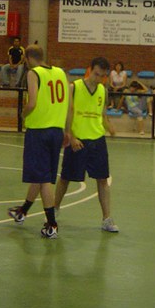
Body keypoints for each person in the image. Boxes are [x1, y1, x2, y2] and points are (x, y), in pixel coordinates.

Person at [7, 44, 69, 238]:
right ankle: (23, 211)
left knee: (43, 179)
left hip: (39, 131)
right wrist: (67, 130)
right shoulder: (60, 73)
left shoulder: (33, 73)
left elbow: (32, 102)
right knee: (42, 175)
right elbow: (67, 103)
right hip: (56, 130)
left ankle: (52, 224)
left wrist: (22, 114)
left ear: (27, 58)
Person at [54, 56, 119, 233]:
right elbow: (68, 113)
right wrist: (71, 136)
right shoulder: (74, 87)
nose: (99, 78)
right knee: (65, 178)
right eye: (97, 74)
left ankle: (107, 219)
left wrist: (109, 127)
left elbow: (102, 114)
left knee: (102, 180)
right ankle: (54, 210)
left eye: (103, 76)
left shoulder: (103, 90)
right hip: (78, 141)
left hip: (97, 140)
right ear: (90, 70)